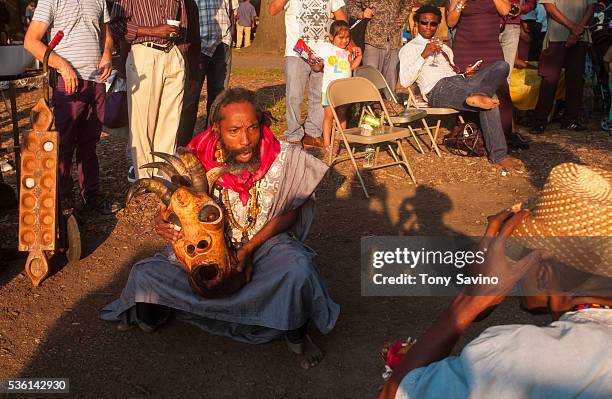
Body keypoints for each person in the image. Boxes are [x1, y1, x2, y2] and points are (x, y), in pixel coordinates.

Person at [100, 88, 340, 370]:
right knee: (146, 274)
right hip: (209, 246)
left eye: (253, 128)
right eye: (234, 131)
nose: (246, 140)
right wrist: (163, 222)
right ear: (217, 130)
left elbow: (290, 213)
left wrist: (249, 250)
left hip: (265, 245)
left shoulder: (285, 158)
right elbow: (170, 207)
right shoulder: (193, 159)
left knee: (297, 270)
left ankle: (296, 334)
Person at [379, 162, 612, 399]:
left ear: (544, 274)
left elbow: (395, 394)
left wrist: (469, 302)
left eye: (522, 254)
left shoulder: (516, 355)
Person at [24, 0, 119, 214]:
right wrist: (63, 66)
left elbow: (107, 35)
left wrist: (107, 54)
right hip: (68, 81)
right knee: (64, 144)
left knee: (89, 143)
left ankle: (91, 196)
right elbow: (31, 41)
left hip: (96, 81)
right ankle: (65, 202)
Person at [399, 6, 522, 171]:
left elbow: (452, 73)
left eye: (433, 24)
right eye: (424, 23)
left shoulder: (445, 48)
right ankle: (499, 155)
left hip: (460, 82)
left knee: (501, 65)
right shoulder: (409, 49)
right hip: (437, 90)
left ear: (437, 25)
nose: (428, 27)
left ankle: (480, 94)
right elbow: (405, 81)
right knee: (489, 99)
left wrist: (466, 74)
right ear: (416, 23)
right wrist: (424, 55)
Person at [110, 0, 189, 180]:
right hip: (144, 53)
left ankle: (163, 176)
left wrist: (181, 53)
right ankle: (144, 178)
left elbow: (183, 22)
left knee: (171, 120)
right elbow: (115, 25)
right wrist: (153, 31)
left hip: (173, 53)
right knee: (143, 122)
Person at [447, 0, 530, 151]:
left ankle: (504, 135)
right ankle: (474, 136)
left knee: (501, 89)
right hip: (465, 48)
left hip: (491, 48)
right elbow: (451, 22)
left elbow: (505, 10)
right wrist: (461, 3)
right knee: (469, 88)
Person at [268, 0, 348, 149]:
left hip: (323, 53)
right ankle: (294, 135)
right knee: (294, 95)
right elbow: (272, 10)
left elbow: (342, 19)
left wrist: (349, 44)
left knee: (319, 95)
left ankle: (312, 133)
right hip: (296, 52)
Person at [176, 0, 238, 148]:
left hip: (222, 41)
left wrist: (231, 35)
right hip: (195, 43)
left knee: (219, 98)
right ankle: (182, 147)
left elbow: (233, 10)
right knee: (190, 98)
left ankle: (212, 144)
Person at [530, 0, 596, 134]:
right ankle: (540, 121)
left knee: (575, 80)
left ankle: (571, 120)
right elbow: (549, 6)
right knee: (549, 80)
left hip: (580, 35)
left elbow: (592, 6)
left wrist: (579, 29)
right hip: (557, 35)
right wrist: (574, 27)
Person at [311, 20, 362, 152]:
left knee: (342, 115)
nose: (344, 41)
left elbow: (351, 67)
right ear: (331, 37)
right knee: (328, 116)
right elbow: (313, 55)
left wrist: (359, 57)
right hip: (329, 90)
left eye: (347, 38)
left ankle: (342, 140)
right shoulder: (327, 48)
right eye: (341, 37)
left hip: (344, 90)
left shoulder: (348, 52)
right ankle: (327, 143)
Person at [346, 0, 413, 97]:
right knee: (370, 79)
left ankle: (390, 108)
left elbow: (408, 3)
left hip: (393, 40)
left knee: (391, 82)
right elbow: (350, 3)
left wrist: (403, 17)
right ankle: (371, 108)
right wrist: (361, 14)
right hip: (372, 39)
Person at [499, 0, 535, 78]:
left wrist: (521, 8)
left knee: (506, 74)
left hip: (512, 25)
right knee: (485, 68)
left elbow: (530, 3)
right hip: (487, 23)